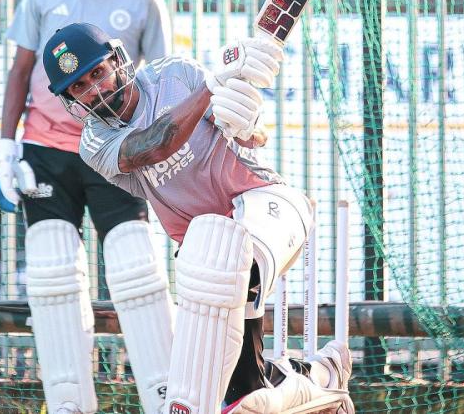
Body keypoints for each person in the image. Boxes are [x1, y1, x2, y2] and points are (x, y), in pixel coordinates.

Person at [41, 22, 355, 414]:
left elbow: (253, 138)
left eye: (98, 73)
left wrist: (249, 124)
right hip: (209, 261)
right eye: (80, 86)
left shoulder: (174, 75)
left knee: (226, 253)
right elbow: (152, 146)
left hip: (269, 207)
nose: (96, 89)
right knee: (247, 394)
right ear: (69, 98)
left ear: (117, 61)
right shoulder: (94, 143)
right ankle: (322, 377)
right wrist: (213, 86)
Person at [0, 0, 173, 413]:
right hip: (47, 148)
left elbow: (160, 79)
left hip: (116, 144)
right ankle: (69, 404)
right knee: (52, 275)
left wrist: (161, 148)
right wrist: (5, 148)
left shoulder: (145, 0)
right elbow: (21, 69)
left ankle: (168, 400)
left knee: (136, 269)